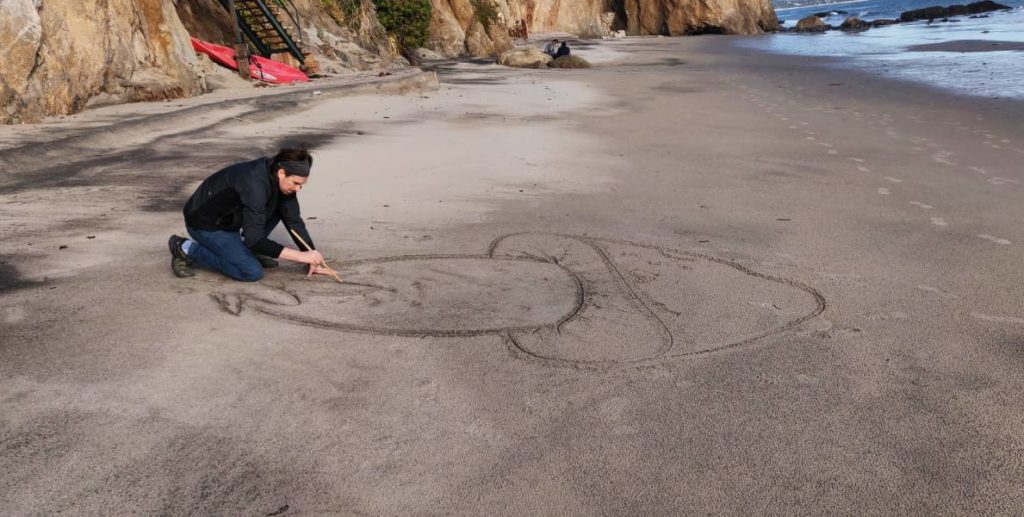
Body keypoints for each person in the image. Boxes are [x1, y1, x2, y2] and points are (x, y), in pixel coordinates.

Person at [167, 146, 333, 281]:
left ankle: (247, 250)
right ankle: (186, 248)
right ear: (282, 173)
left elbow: (293, 221)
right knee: (251, 271)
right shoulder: (254, 185)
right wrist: (300, 256)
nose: (298, 189)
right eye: (296, 183)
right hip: (206, 224)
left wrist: (311, 255)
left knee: (282, 208)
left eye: (301, 185)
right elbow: (254, 239)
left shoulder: (278, 176)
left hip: (233, 216)